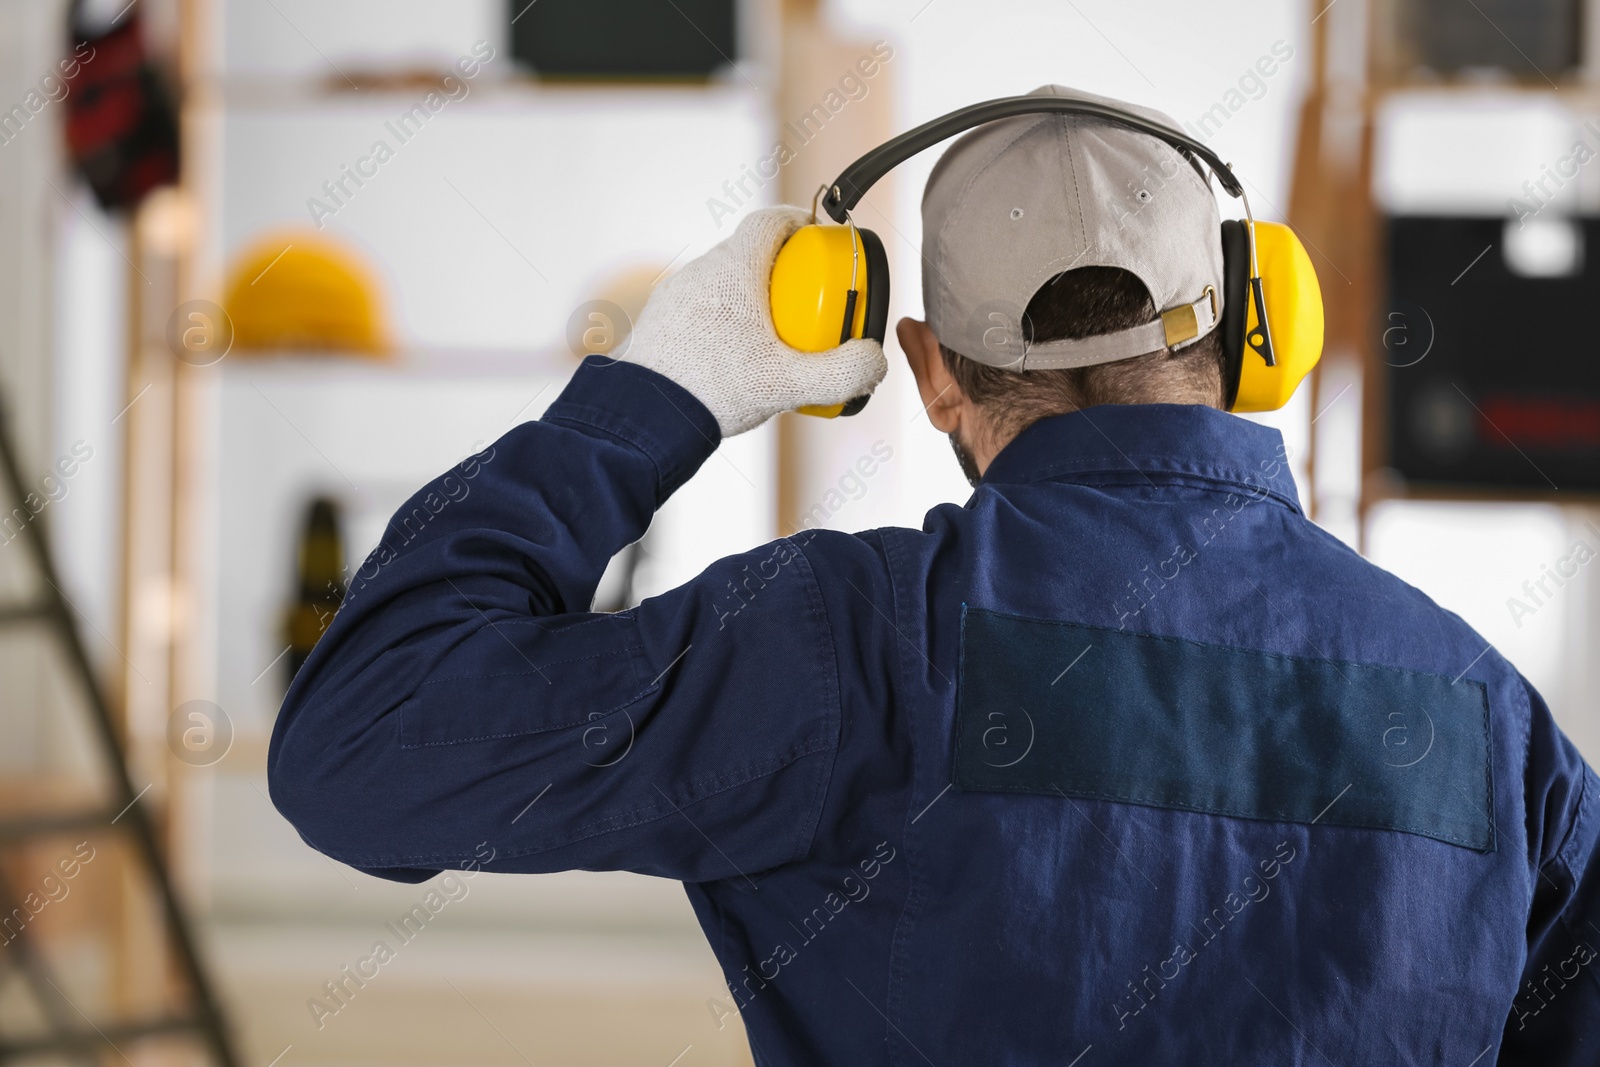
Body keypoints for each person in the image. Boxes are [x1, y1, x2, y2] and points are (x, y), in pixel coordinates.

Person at [268, 86, 1600, 1063]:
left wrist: (658, 393)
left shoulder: (851, 642)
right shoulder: (1496, 725)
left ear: (925, 369)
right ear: (1260, 330)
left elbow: (360, 749)